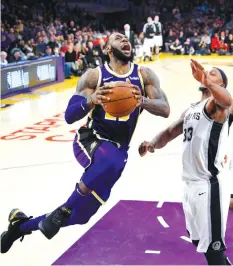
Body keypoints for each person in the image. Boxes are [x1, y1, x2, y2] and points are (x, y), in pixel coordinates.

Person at [1, 33, 170, 254]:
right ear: (108, 49)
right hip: (90, 139)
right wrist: (91, 100)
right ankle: (65, 207)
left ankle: (20, 227)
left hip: (119, 151)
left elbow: (165, 109)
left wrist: (143, 101)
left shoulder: (144, 74)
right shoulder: (94, 76)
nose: (125, 41)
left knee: (81, 216)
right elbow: (70, 116)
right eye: (118, 38)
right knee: (111, 160)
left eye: (126, 38)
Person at [139, 60, 232, 265]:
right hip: (189, 186)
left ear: (221, 85)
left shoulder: (218, 106)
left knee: (214, 251)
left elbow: (226, 101)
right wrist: (152, 144)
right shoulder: (192, 109)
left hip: (209, 185)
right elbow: (171, 131)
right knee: (200, 241)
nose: (208, 73)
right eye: (208, 72)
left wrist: (209, 83)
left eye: (214, 74)